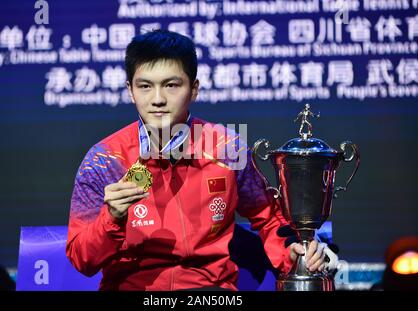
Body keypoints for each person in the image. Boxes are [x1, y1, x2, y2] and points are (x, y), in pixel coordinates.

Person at [66, 29, 335, 291]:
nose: (158, 99)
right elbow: (82, 259)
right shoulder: (104, 160)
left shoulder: (228, 149)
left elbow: (269, 218)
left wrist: (291, 252)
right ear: (130, 91)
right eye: (145, 86)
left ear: (194, 89)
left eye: (171, 85)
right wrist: (111, 218)